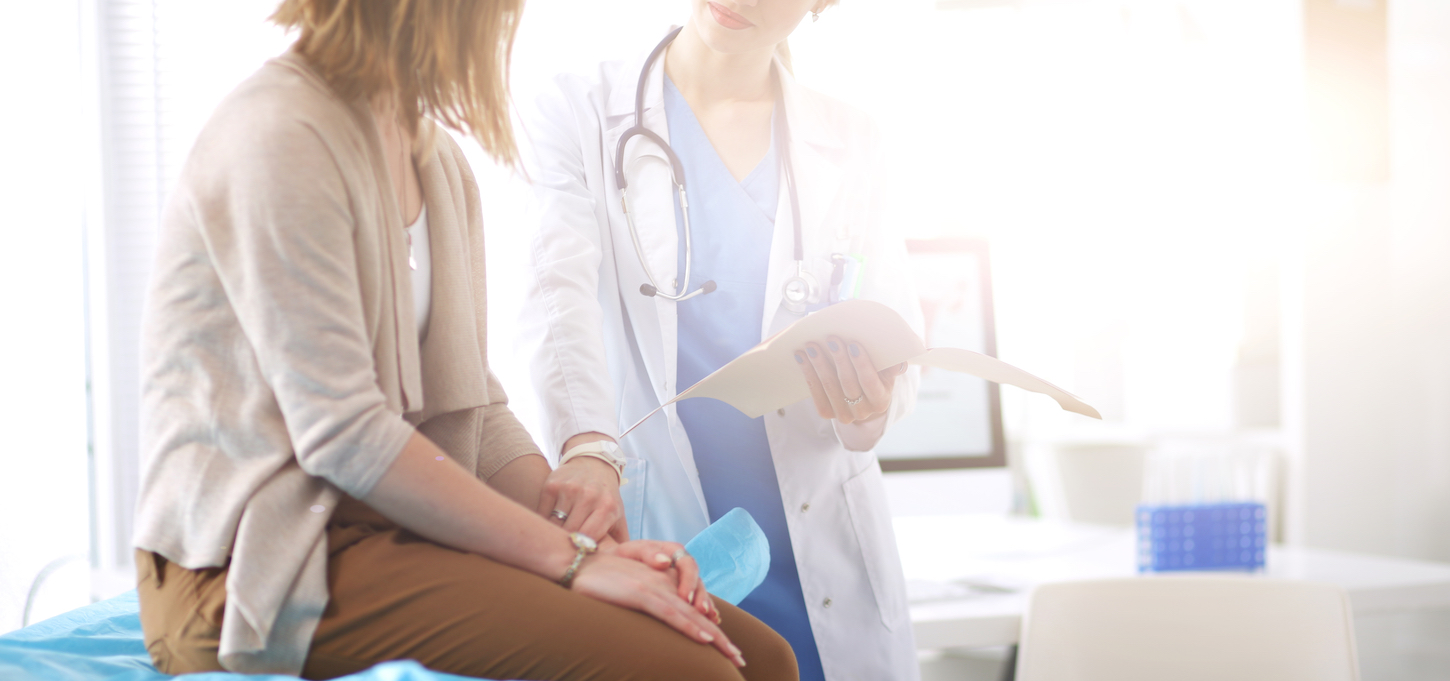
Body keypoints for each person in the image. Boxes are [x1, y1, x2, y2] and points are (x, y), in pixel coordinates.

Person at [129, 1, 797, 680]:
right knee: (696, 672)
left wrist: (582, 533)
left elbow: (474, 404)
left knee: (765, 658)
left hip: (383, 534)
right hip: (257, 566)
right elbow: (344, 432)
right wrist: (572, 561)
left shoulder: (435, 159)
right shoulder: (281, 135)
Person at [517, 1, 924, 679]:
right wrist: (586, 442)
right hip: (671, 532)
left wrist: (870, 402)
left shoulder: (852, 141)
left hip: (821, 552)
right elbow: (552, 295)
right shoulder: (578, 110)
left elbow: (898, 339)